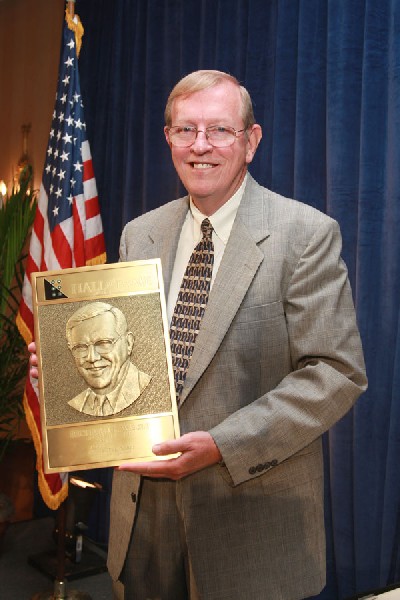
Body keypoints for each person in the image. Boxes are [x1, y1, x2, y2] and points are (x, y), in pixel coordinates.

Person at [30, 70, 367, 600]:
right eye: (185, 130)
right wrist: (58, 367)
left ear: (251, 141)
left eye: (219, 130)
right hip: (142, 520)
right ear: (168, 138)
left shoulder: (305, 234)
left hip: (247, 514)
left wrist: (220, 445)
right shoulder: (140, 232)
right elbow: (126, 355)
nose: (200, 146)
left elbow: (336, 373)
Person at [66, 301, 151, 417]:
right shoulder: (77, 404)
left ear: (128, 343)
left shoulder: (148, 389)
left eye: (103, 343)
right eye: (80, 347)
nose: (92, 357)